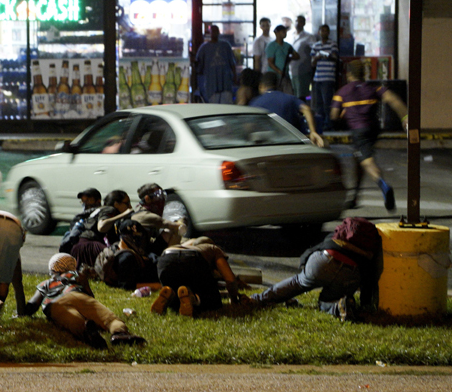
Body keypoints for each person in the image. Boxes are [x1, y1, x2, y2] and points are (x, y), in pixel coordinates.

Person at [244, 217, 383, 322]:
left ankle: (257, 299)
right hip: (349, 272)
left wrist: (304, 267)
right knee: (327, 300)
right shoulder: (373, 246)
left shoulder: (335, 236)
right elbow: (369, 277)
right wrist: (365, 304)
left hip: (324, 260)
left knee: (298, 282)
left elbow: (312, 250)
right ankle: (338, 306)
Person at [23, 253, 146, 349]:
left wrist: (24, 312)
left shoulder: (46, 283)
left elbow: (34, 303)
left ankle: (87, 332)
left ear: (52, 269)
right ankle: (119, 333)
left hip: (55, 303)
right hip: (78, 295)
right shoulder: (77, 276)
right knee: (107, 318)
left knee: (73, 320)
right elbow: (90, 296)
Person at [331, 60, 408, 211]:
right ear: (364, 74)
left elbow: (333, 116)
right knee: (358, 159)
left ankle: (383, 184)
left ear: (349, 74)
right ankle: (355, 197)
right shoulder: (374, 88)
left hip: (359, 132)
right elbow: (394, 100)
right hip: (373, 130)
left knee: (366, 162)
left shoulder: (342, 92)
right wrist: (405, 118)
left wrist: (344, 114)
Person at [151, 237, 249, 317]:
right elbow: (230, 279)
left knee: (179, 294)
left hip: (165, 259)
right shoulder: (212, 248)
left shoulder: (184, 244)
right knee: (214, 300)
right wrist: (234, 298)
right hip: (192, 259)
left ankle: (169, 294)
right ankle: (193, 298)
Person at [250, 72, 324, 147]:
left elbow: (249, 126)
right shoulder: (290, 98)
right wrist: (313, 132)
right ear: (278, 85)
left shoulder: (255, 102)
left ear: (261, 86)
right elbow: (306, 109)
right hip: (292, 143)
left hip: (267, 145)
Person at [70, 190, 133, 268]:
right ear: (116, 204)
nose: (130, 206)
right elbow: (101, 227)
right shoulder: (110, 209)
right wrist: (125, 214)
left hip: (79, 245)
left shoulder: (102, 209)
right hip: (89, 245)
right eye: (127, 203)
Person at [130, 183, 187, 255]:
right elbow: (177, 226)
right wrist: (182, 221)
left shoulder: (139, 210)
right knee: (171, 231)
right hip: (143, 254)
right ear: (147, 199)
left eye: (163, 195)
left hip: (142, 249)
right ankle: (171, 258)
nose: (162, 199)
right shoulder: (149, 216)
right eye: (158, 195)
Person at [195, 25, 237, 104]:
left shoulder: (225, 46)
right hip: (212, 83)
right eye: (213, 31)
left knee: (227, 107)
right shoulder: (204, 48)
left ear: (219, 32)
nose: (214, 33)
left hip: (225, 82)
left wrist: (234, 77)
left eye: (216, 31)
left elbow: (232, 63)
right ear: (210, 33)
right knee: (214, 107)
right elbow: (199, 66)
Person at [311, 24, 339, 132]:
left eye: (326, 31)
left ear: (328, 33)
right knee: (319, 103)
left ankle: (329, 124)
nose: (324, 33)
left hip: (328, 77)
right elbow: (312, 63)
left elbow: (335, 58)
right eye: (322, 30)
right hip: (318, 78)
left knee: (327, 102)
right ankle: (321, 123)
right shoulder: (315, 45)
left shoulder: (333, 44)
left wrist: (327, 55)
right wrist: (318, 57)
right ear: (319, 32)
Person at [58, 188, 102, 254]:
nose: (85, 203)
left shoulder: (103, 214)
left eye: (88, 200)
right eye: (83, 201)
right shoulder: (79, 218)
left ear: (98, 201)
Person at [265, 24, 299, 95]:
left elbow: (297, 56)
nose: (285, 33)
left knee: (289, 93)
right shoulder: (272, 46)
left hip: (285, 75)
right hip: (275, 76)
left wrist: (289, 58)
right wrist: (279, 71)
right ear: (277, 33)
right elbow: (270, 62)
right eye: (283, 32)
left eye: (285, 31)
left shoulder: (287, 46)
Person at [289, 16, 316, 101]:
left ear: (304, 23)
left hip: (303, 70)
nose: (298, 23)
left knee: (302, 95)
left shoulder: (309, 37)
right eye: (296, 21)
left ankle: (302, 113)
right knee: (292, 94)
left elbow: (315, 51)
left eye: (300, 21)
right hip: (290, 71)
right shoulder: (290, 35)